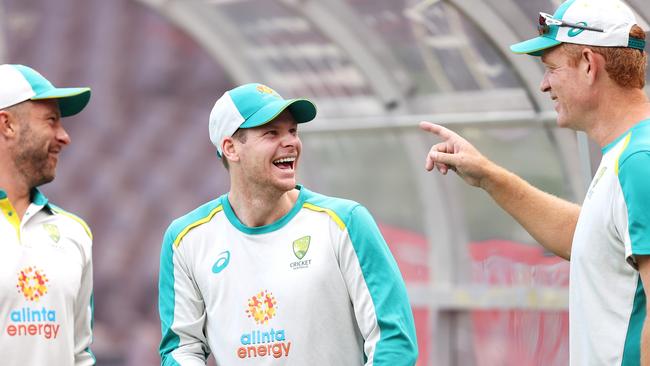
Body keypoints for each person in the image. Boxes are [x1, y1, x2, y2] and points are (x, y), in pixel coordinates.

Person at [420, 0, 650, 364]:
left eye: (551, 68)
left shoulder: (640, 161)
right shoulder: (628, 155)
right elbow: (592, 239)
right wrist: (488, 176)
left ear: (590, 65)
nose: (544, 85)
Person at [158, 83, 418, 365]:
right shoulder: (185, 239)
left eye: (293, 131)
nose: (291, 142)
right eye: (272, 133)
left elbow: (393, 342)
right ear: (231, 148)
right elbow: (181, 350)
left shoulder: (346, 222)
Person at [0, 64, 94, 365]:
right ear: (7, 125)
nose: (64, 136)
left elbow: (81, 354)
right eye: (51, 121)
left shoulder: (75, 232)